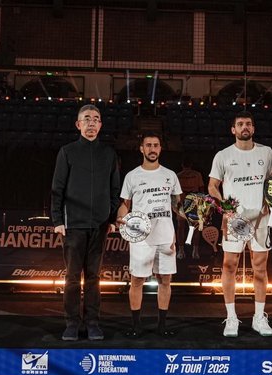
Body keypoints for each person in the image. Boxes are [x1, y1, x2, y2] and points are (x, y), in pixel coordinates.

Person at [208, 111, 272, 337]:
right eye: (240, 124)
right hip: (235, 219)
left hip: (261, 217)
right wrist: (225, 206)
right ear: (233, 129)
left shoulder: (266, 152)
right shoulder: (223, 155)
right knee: (229, 266)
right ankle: (231, 318)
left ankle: (259, 318)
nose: (245, 127)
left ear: (253, 128)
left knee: (260, 268)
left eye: (249, 124)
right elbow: (212, 186)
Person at [51, 104, 120, 341]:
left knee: (94, 277)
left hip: (100, 225)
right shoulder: (67, 152)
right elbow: (57, 188)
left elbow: (114, 189)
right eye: (87, 118)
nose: (91, 122)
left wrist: (111, 218)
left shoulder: (109, 154)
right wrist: (57, 219)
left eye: (96, 119)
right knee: (72, 277)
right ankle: (71, 323)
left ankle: (92, 323)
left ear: (100, 125)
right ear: (78, 124)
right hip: (73, 225)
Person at [116, 133, 182, 338]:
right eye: (148, 145)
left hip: (166, 235)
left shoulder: (170, 175)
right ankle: (136, 326)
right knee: (137, 281)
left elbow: (178, 205)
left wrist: (192, 215)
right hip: (141, 236)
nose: (152, 149)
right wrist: (120, 218)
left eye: (156, 145)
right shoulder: (132, 176)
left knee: (165, 280)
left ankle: (162, 326)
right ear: (141, 149)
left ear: (160, 148)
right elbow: (124, 205)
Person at [176, 157, 205, 259]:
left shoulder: (178, 175)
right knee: (194, 227)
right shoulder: (196, 174)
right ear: (191, 165)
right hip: (191, 204)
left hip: (184, 204)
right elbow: (202, 189)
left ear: (182, 165)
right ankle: (194, 252)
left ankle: (181, 251)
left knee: (181, 227)